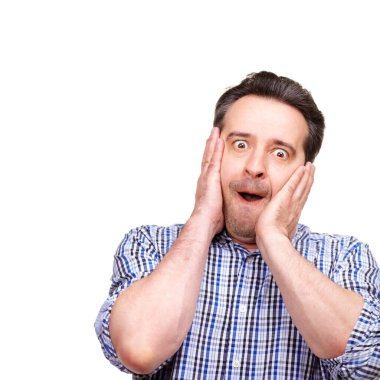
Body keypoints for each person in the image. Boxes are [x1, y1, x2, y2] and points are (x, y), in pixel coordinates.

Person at [95, 71, 380, 379]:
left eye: (280, 153)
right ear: (212, 153)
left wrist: (274, 239)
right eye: (240, 144)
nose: (255, 167)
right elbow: (139, 349)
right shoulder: (149, 244)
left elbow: (366, 360)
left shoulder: (345, 256)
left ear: (304, 175)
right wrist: (203, 217)